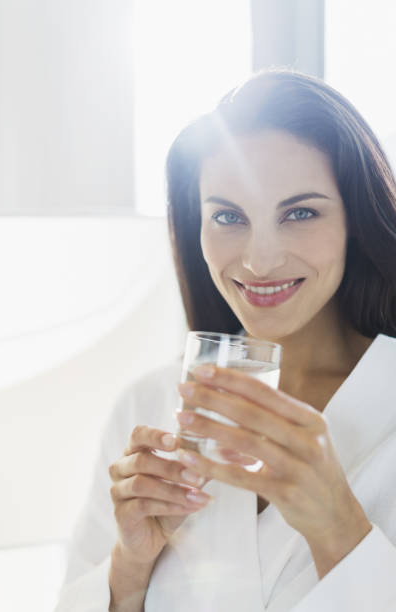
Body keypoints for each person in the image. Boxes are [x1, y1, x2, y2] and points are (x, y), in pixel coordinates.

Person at [54, 69, 396, 612]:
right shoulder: (147, 405)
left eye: (301, 212)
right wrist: (130, 569)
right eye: (228, 217)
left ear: (355, 217)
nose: (259, 261)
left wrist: (340, 531)